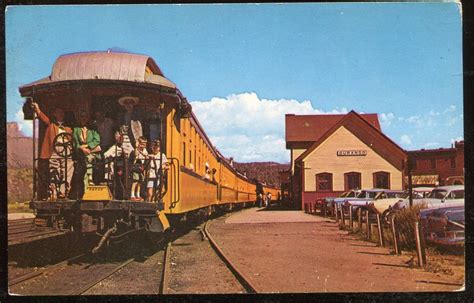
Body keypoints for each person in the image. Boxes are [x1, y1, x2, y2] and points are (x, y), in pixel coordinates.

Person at [32, 102, 73, 200]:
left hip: (66, 149)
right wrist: (37, 110)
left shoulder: (69, 126)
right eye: (58, 113)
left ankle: (63, 191)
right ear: (54, 114)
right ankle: (53, 190)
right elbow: (44, 118)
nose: (60, 115)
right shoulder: (51, 124)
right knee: (54, 169)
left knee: (68, 168)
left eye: (62, 113)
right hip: (55, 149)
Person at [70, 110, 102, 199]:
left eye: (85, 117)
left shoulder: (93, 129)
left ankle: (89, 180)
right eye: (82, 117)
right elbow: (74, 142)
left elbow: (97, 140)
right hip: (80, 153)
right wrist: (81, 148)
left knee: (88, 158)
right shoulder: (76, 129)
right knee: (84, 162)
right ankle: (88, 182)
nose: (83, 119)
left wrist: (88, 147)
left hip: (91, 152)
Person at [130, 136, 148, 201]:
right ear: (138, 143)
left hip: (142, 167)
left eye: (144, 144)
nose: (142, 146)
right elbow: (135, 155)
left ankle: (138, 194)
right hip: (136, 167)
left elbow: (146, 156)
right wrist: (137, 148)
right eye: (141, 144)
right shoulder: (136, 150)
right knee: (135, 181)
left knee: (140, 182)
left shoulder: (145, 151)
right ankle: (132, 194)